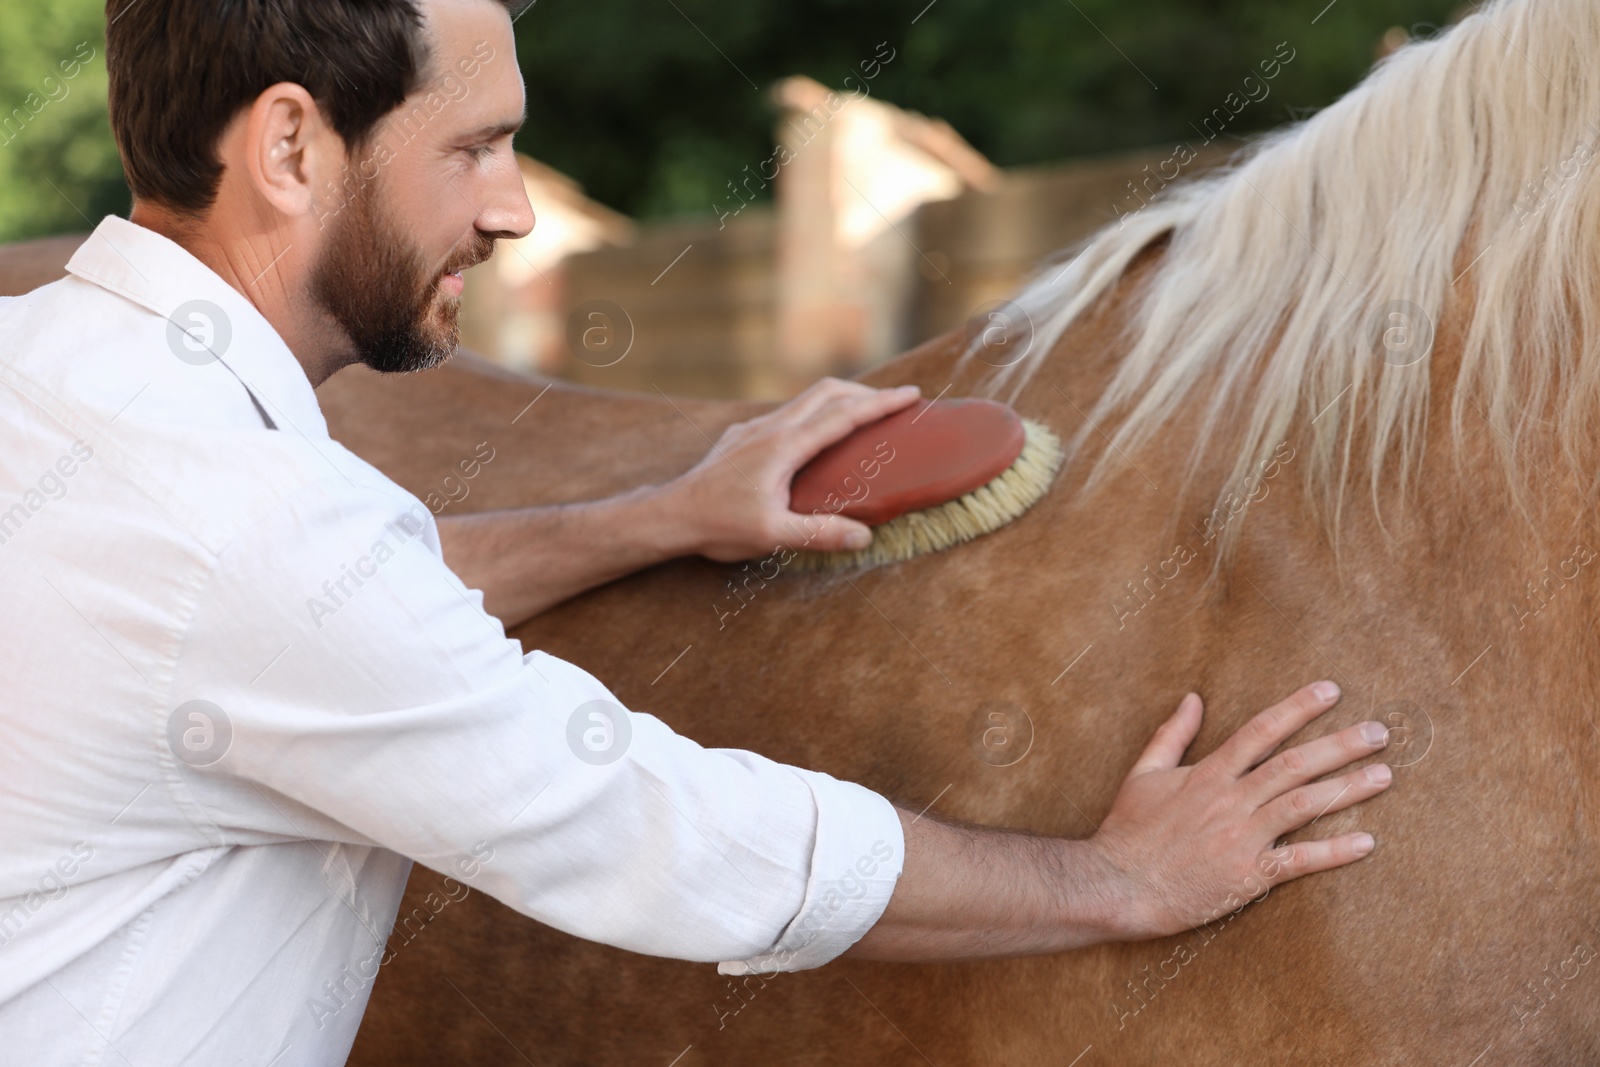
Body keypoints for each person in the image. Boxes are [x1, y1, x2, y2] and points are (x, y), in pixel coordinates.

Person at [0, 0, 1394, 1062]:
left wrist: (653, 517)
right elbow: (652, 832)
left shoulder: (50, 378)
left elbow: (277, 626)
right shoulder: (250, 524)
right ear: (295, 144)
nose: (515, 208)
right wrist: (1113, 881)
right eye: (473, 148)